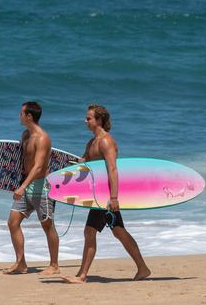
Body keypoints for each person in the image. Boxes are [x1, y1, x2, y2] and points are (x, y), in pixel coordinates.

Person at [63, 104, 150, 283]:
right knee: (119, 231)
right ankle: (143, 268)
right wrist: (76, 163)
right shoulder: (91, 142)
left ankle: (82, 275)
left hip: (106, 197)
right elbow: (88, 164)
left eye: (89, 118)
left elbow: (112, 169)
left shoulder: (105, 141)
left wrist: (114, 197)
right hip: (99, 195)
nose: (85, 121)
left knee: (89, 231)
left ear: (99, 120)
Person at [4, 101, 60, 275]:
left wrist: (22, 187)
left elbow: (38, 166)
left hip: (41, 188)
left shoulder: (43, 138)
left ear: (29, 116)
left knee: (47, 225)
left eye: (21, 113)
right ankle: (21, 263)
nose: (19, 116)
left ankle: (54, 265)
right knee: (13, 222)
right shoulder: (25, 135)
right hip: (25, 185)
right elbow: (23, 161)